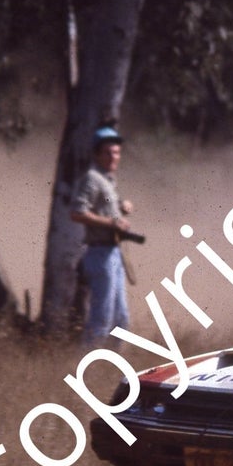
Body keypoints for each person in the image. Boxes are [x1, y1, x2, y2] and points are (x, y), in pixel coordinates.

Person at [70, 125, 134, 340]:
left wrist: (121, 207)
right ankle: (89, 359)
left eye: (116, 152)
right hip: (99, 254)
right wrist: (112, 222)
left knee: (121, 319)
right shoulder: (92, 178)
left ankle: (113, 359)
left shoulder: (107, 181)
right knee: (102, 320)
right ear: (96, 154)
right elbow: (77, 212)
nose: (113, 157)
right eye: (107, 152)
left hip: (113, 253)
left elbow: (104, 208)